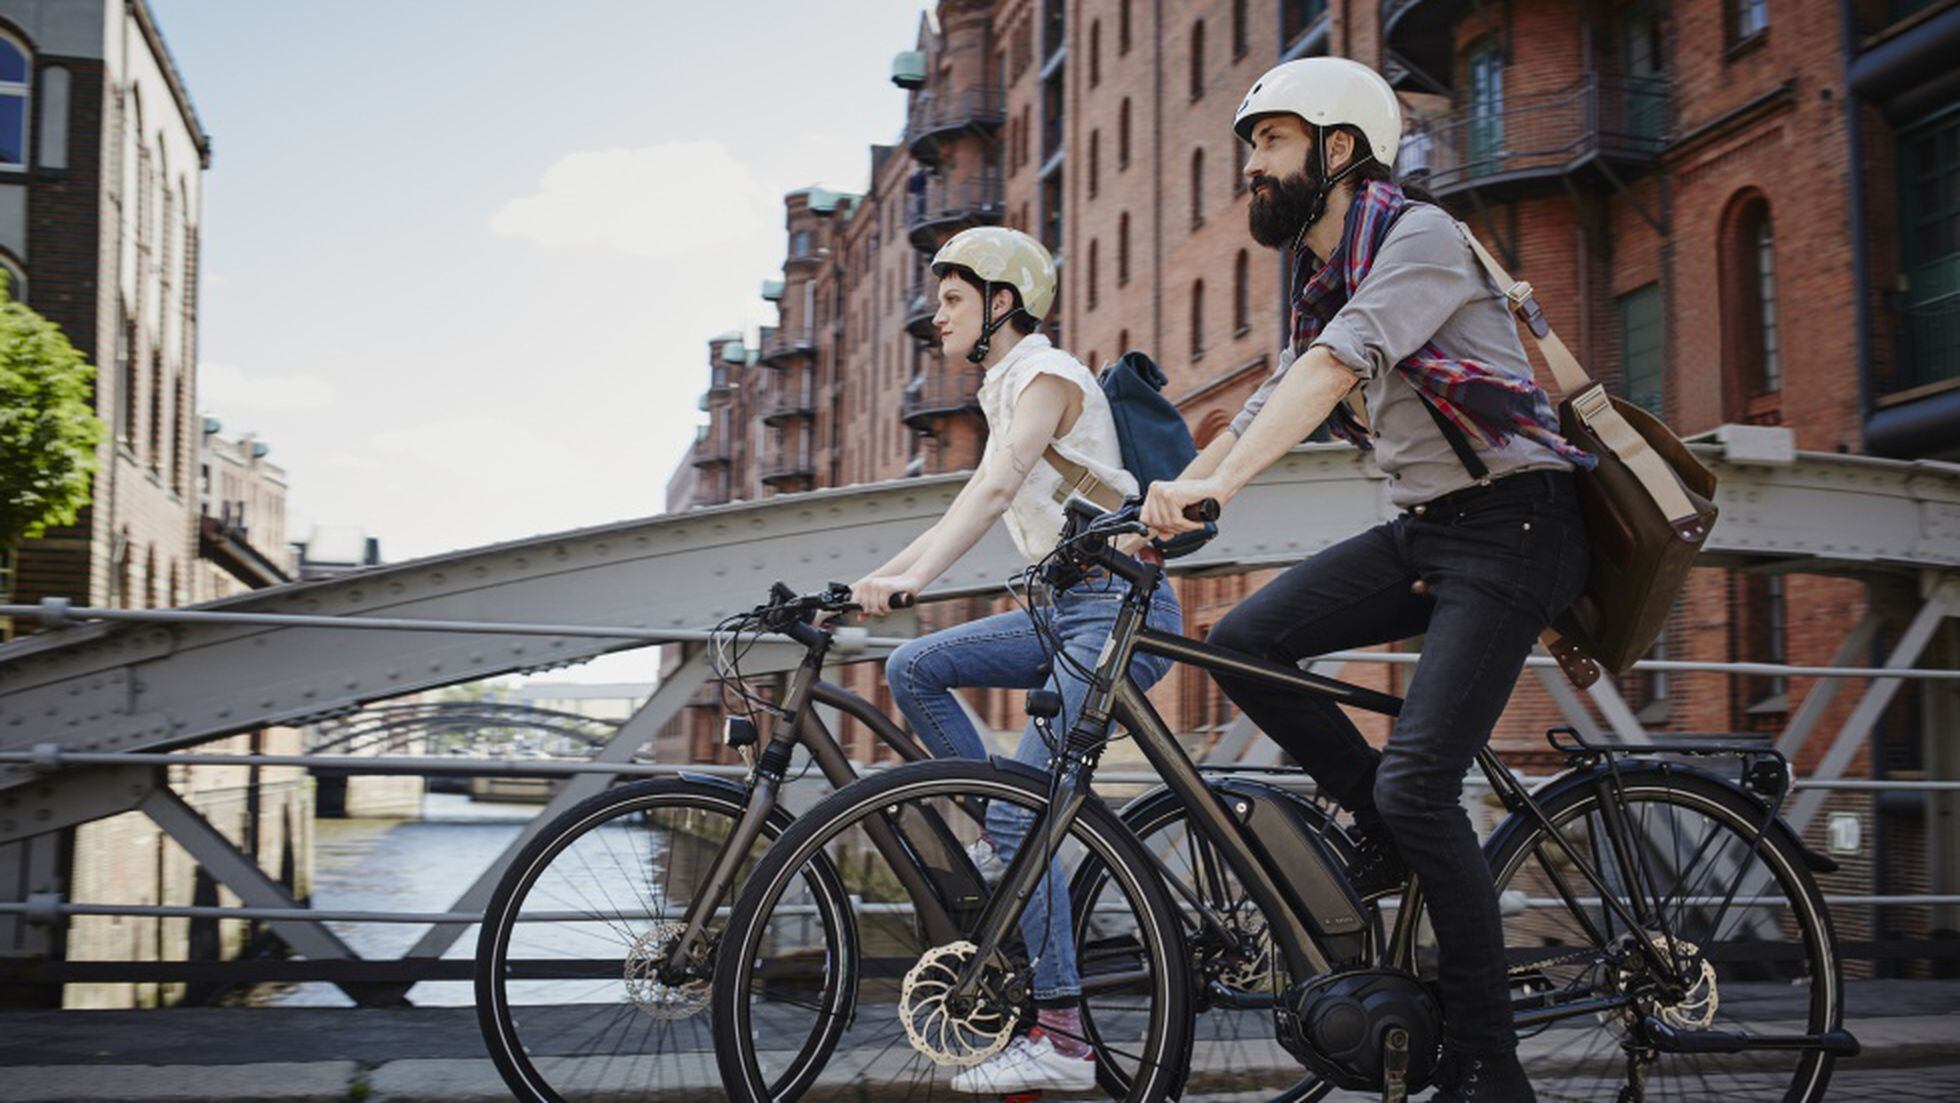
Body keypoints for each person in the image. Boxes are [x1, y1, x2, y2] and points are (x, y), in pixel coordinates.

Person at [1142, 57, 1595, 1103]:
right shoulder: (1325, 274)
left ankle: (1488, 1062)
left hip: (1519, 524)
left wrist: (1215, 492)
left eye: (1270, 141)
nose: (1249, 165)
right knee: (1242, 642)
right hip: (1433, 528)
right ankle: (1384, 828)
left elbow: (1335, 370)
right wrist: (1175, 497)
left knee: (1422, 778)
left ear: (1337, 149)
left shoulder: (1419, 240)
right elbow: (1272, 399)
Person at [850, 225, 1183, 1096]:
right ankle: (1003, 839)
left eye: (954, 299)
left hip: (1116, 615)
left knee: (1019, 815)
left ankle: (1065, 1037)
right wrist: (880, 579)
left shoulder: (1045, 375)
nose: (938, 316)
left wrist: (913, 576)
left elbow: (993, 488)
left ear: (1004, 304)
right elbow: (980, 491)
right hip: (1064, 607)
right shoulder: (1007, 385)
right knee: (915, 667)